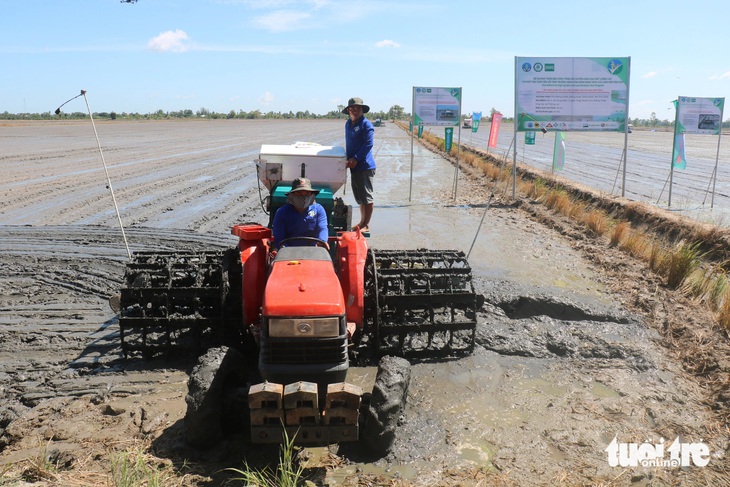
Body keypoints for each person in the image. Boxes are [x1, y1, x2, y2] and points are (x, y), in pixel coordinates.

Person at [343, 97, 376, 233]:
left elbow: (368, 143)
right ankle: (362, 222)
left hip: (364, 166)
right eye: (352, 108)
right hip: (353, 166)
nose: (354, 110)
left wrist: (356, 158)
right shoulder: (348, 124)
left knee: (366, 196)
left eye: (358, 108)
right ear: (348, 110)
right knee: (360, 197)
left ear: (362, 110)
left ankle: (365, 224)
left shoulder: (366, 125)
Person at [271, 177, 329, 250]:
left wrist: (322, 241)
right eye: (299, 193)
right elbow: (279, 237)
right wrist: (285, 249)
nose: (303, 197)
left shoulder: (319, 210)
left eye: (307, 194)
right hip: (289, 251)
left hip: (314, 250)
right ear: (292, 195)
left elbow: (322, 228)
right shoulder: (282, 212)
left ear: (311, 195)